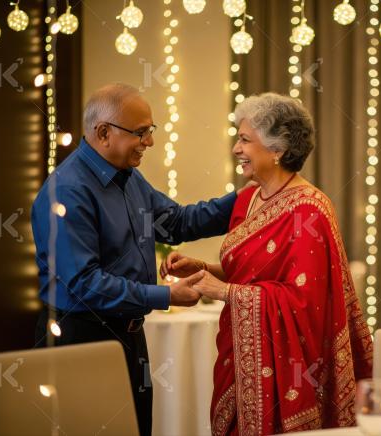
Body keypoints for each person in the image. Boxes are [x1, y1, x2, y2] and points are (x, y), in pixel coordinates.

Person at [31, 83, 238, 436]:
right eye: (141, 133)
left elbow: (174, 222)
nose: (150, 143)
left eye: (150, 131)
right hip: (81, 339)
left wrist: (247, 198)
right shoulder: (67, 190)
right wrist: (166, 296)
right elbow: (84, 284)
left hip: (129, 336)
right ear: (103, 133)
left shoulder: (127, 178)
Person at [160, 93, 373, 434]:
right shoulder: (248, 198)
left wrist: (224, 292)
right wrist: (203, 269)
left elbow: (306, 303)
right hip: (237, 352)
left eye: (245, 140)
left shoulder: (309, 210)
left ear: (277, 150)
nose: (236, 149)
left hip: (286, 368)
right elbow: (250, 274)